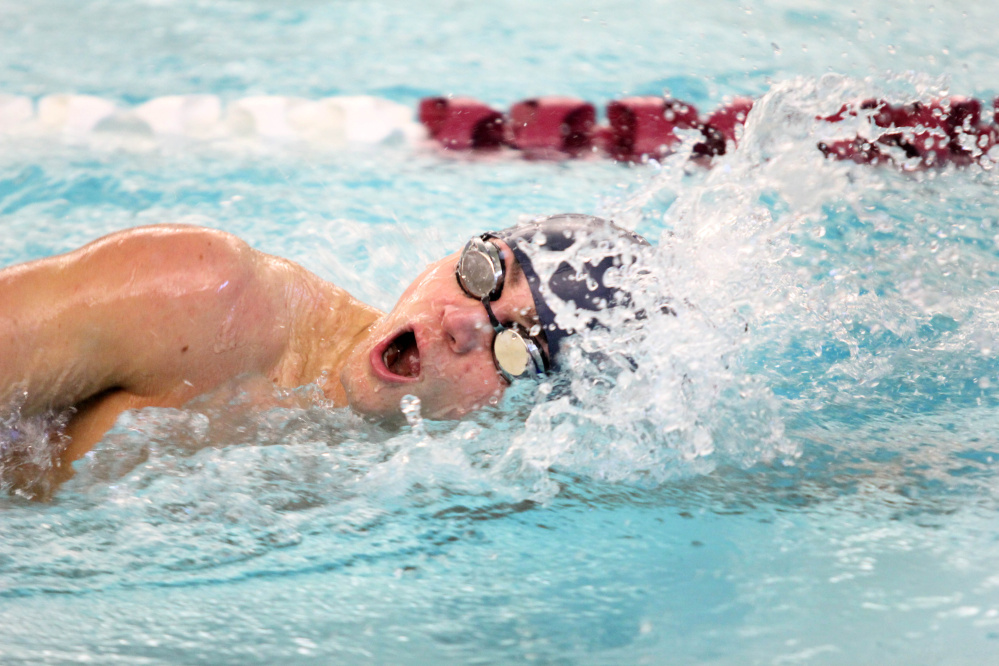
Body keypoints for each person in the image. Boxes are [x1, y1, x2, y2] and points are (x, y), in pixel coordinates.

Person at [0, 214, 650, 496]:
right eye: (484, 272)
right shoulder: (205, 295)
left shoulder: (455, 495)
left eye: (517, 348)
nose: (460, 323)